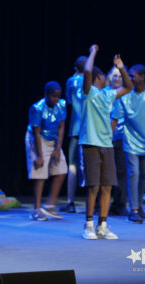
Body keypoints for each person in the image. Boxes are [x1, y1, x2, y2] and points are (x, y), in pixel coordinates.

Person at [80, 45, 132, 240]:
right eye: (102, 76)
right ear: (99, 77)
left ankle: (103, 224)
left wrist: (122, 67)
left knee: (107, 186)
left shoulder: (108, 94)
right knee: (93, 186)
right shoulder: (88, 93)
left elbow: (128, 87)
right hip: (91, 144)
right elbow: (87, 71)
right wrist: (93, 52)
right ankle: (89, 225)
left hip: (106, 145)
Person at [25, 81, 67, 221]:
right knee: (40, 174)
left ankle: (49, 205)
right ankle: (36, 210)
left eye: (58, 96)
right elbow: (36, 133)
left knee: (61, 170)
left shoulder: (62, 105)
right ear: (46, 95)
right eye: (53, 96)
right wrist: (39, 156)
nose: (56, 99)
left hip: (53, 140)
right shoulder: (37, 108)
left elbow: (61, 127)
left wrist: (58, 149)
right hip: (38, 140)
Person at [111, 64, 145, 223]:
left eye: (133, 76)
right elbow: (115, 119)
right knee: (134, 174)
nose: (129, 79)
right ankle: (133, 209)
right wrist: (107, 139)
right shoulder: (124, 96)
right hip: (131, 141)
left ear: (142, 77)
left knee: (143, 177)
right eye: (129, 75)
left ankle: (139, 206)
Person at [60, 56, 87, 213]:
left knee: (73, 165)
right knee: (90, 165)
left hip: (76, 127)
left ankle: (71, 202)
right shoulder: (91, 82)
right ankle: (95, 202)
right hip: (89, 128)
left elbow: (69, 100)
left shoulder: (71, 81)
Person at [105, 67, 128, 216]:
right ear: (109, 77)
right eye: (114, 75)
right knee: (105, 173)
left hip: (122, 138)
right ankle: (101, 204)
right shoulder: (104, 93)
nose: (117, 78)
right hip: (105, 137)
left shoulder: (128, 94)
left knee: (121, 172)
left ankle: (120, 204)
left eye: (120, 76)